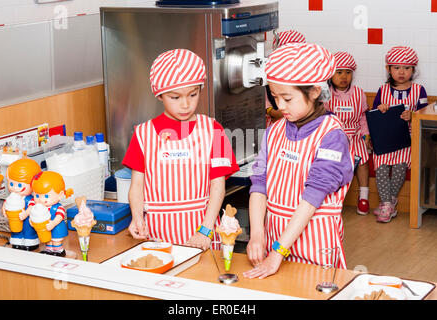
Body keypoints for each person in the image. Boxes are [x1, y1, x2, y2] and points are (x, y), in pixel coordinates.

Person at [243, 43, 354, 279]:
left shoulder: (331, 136)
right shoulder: (275, 131)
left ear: (314, 91)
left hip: (315, 248)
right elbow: (259, 183)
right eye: (274, 97)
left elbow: (313, 196)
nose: (280, 106)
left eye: (287, 98)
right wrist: (257, 234)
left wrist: (279, 251)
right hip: (274, 243)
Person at [123, 48, 239, 251]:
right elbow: (137, 186)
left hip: (203, 234)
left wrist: (205, 231)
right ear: (159, 95)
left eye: (192, 95)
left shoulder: (213, 130)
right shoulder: (143, 134)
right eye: (175, 97)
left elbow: (218, 187)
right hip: (156, 236)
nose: (185, 104)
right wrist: (136, 218)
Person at [371, 46, 428, 223]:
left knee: (399, 168)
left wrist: (413, 115)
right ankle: (388, 203)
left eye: (406, 68)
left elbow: (424, 114)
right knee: (380, 167)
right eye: (396, 67)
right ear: (388, 69)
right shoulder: (383, 90)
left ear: (413, 70)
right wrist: (380, 109)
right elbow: (374, 114)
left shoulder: (419, 91)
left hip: (407, 140)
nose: (401, 72)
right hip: (385, 138)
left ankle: (387, 204)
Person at [325, 51, 371, 215]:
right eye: (339, 72)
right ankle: (334, 200)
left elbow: (363, 117)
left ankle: (364, 197)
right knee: (333, 164)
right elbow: (324, 119)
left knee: (363, 160)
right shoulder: (326, 93)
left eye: (348, 72)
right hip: (335, 137)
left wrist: (366, 136)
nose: (344, 76)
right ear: (331, 73)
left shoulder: (359, 93)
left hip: (356, 135)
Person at [265, 30, 307, 126]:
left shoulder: (307, 74)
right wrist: (271, 111)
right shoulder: (269, 72)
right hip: (275, 121)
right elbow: (263, 98)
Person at [29, 171, 73, 256]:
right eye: (37, 196)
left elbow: (59, 216)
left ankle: (58, 251)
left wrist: (53, 223)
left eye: (46, 196)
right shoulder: (37, 207)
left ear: (60, 195)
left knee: (56, 241)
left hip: (57, 228)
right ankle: (49, 250)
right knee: (48, 241)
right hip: (46, 229)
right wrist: (32, 221)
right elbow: (33, 215)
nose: (41, 200)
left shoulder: (58, 207)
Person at [2, 158, 41, 251]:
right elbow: (6, 203)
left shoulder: (30, 199)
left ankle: (30, 242)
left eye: (20, 185)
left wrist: (26, 213)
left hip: (28, 220)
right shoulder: (11, 197)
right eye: (11, 183)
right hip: (15, 220)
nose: (15, 188)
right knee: (16, 230)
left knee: (28, 230)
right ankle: (17, 241)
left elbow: (32, 205)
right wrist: (4, 210)